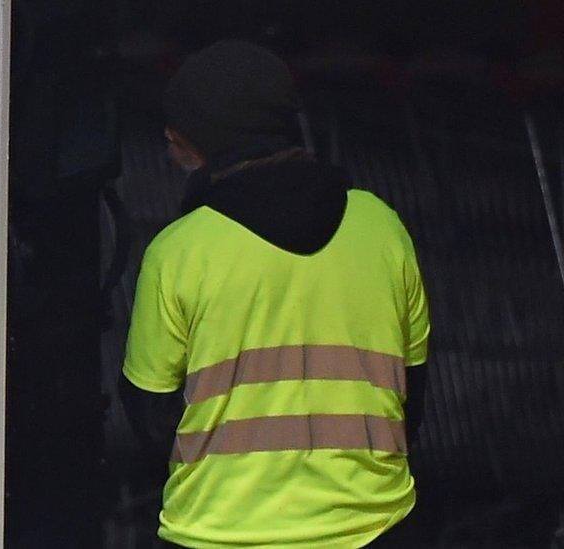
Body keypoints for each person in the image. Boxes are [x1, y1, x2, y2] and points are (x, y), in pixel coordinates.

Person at [120, 40, 430, 548]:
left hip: (220, 531)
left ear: (197, 140)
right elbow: (411, 392)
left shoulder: (179, 251)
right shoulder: (381, 227)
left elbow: (150, 415)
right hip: (374, 529)